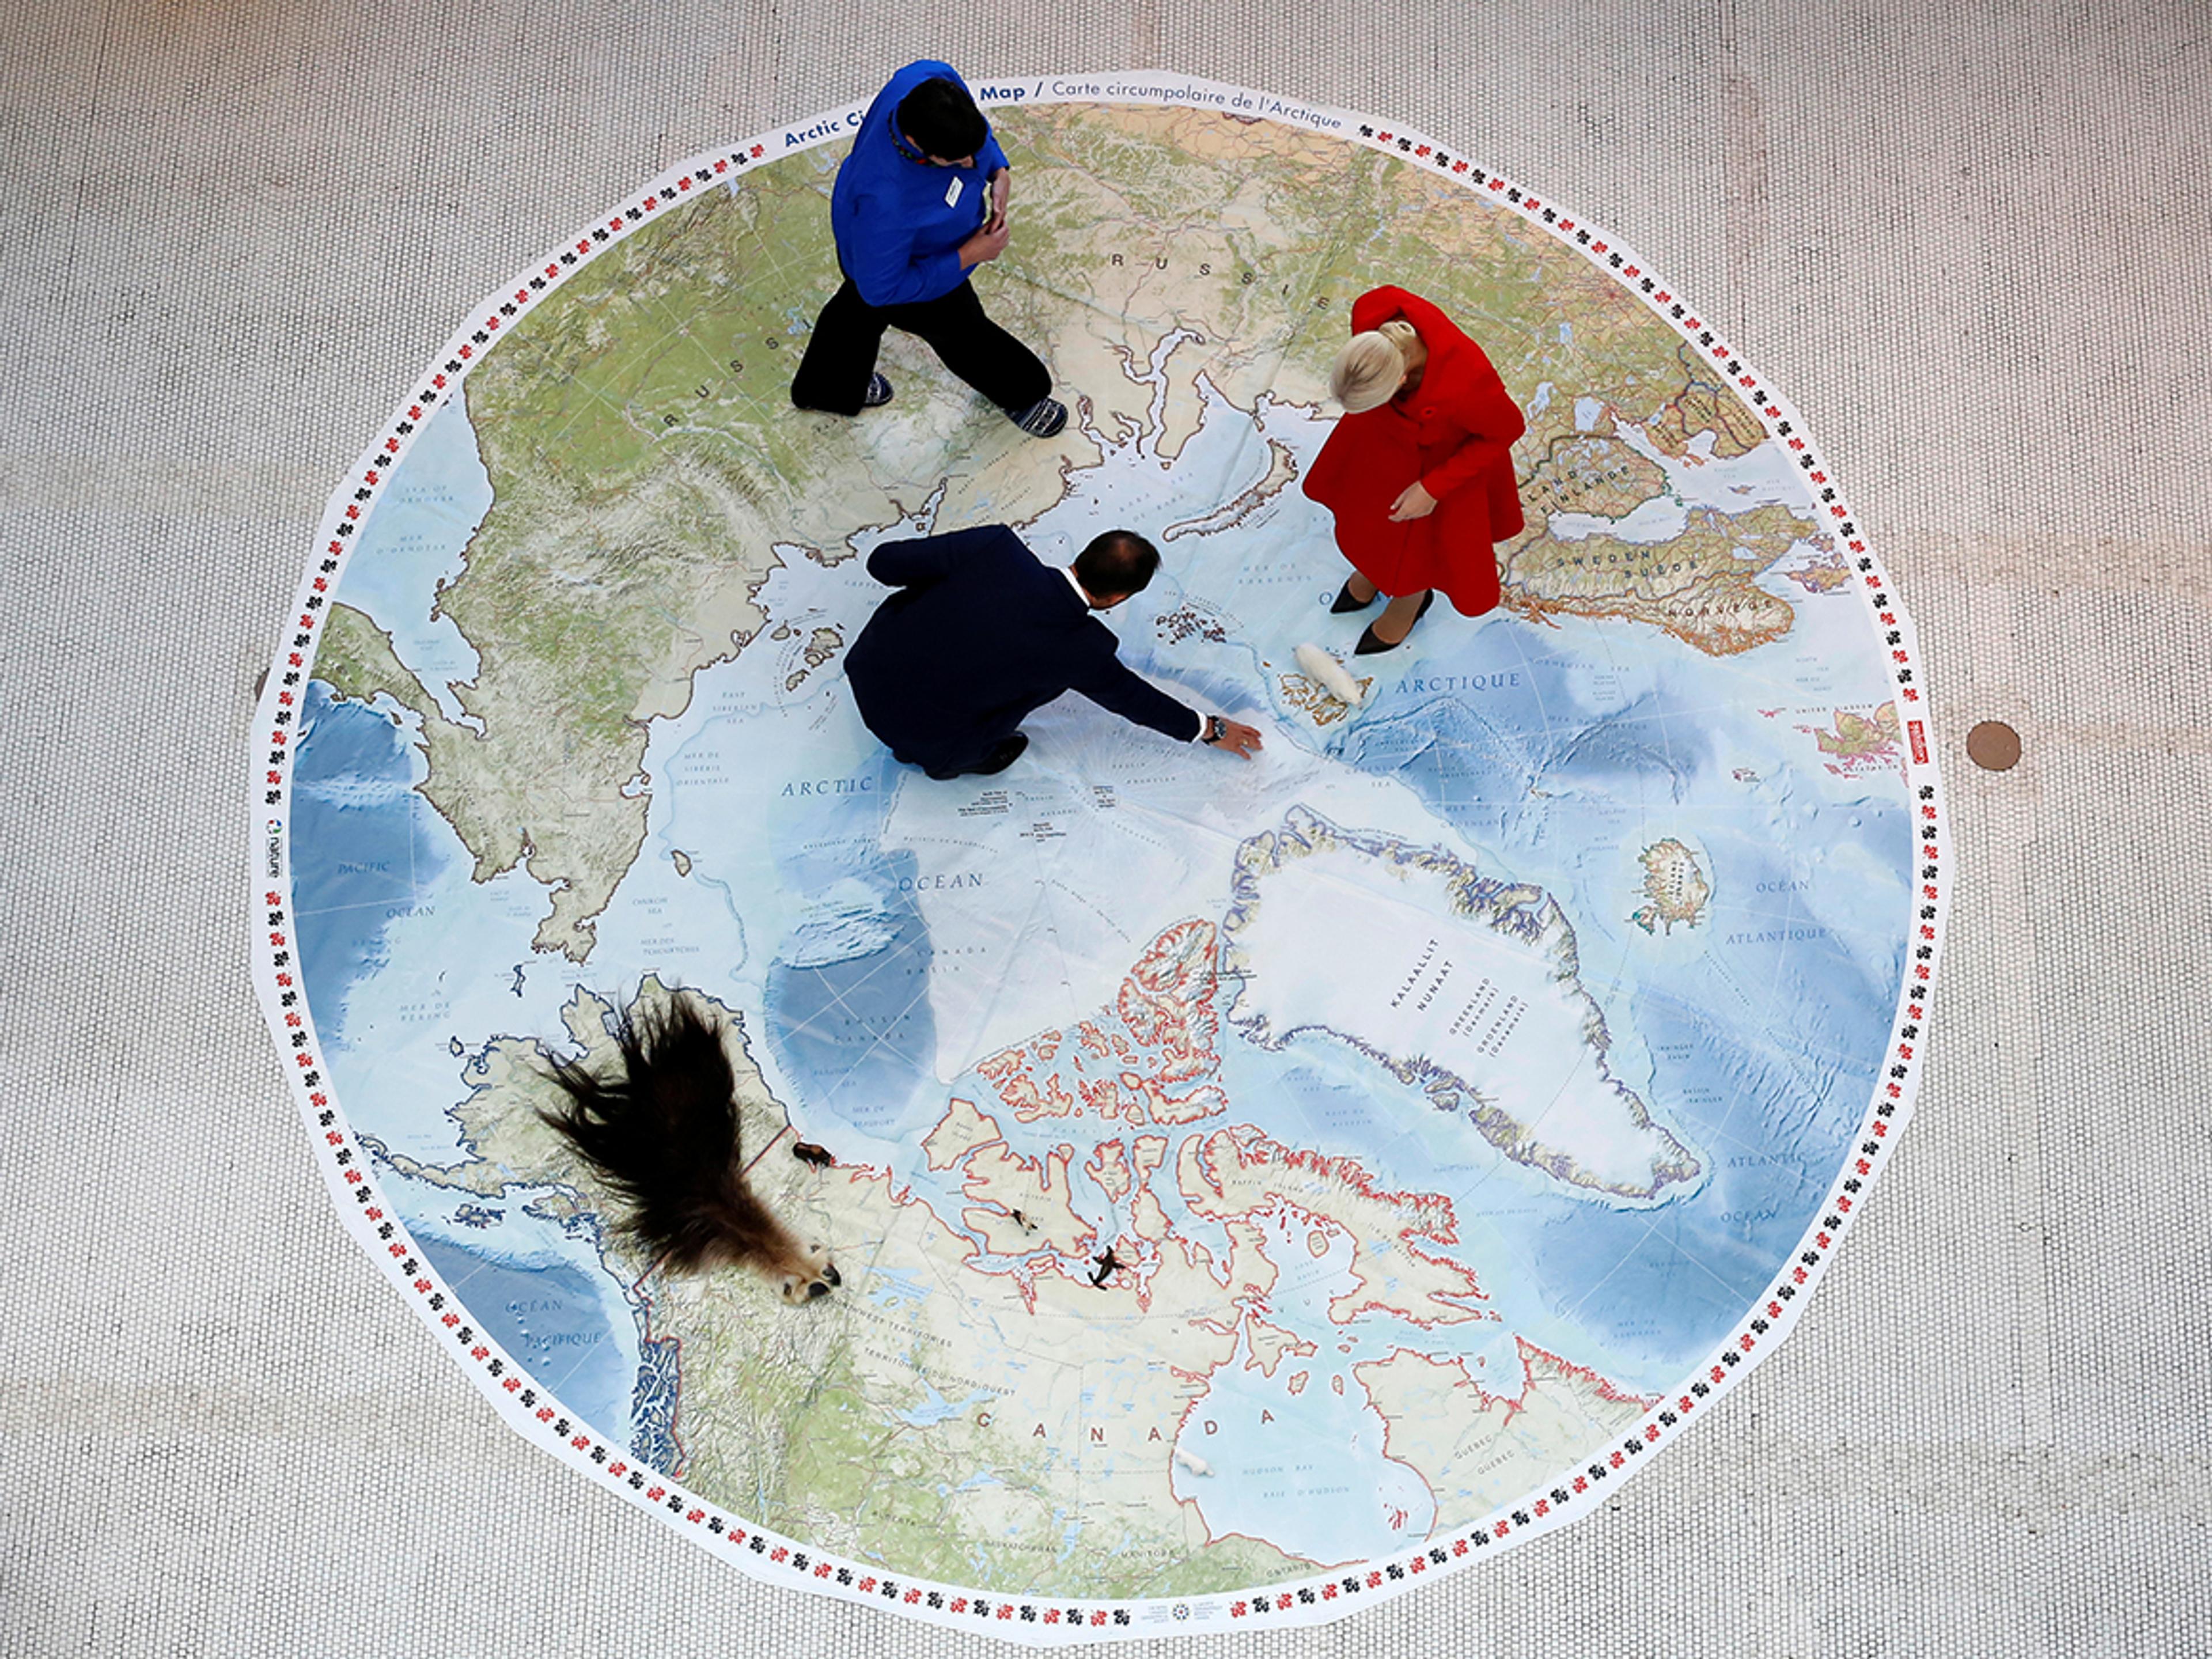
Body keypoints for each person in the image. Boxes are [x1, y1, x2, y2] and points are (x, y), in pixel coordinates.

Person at [843, 525, 1264, 779]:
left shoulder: (994, 547)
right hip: (935, 740)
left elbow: (883, 564)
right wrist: (1210, 730)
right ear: (1117, 598)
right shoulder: (1083, 648)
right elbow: (1135, 700)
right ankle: (946, 763)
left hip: (869, 668)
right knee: (1006, 705)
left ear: (1083, 556)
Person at [789, 61, 1067, 438]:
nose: (970, 165)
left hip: (871, 250)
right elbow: (881, 290)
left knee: (856, 312)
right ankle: (1024, 394)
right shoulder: (886, 204)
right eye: (956, 160)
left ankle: (826, 387)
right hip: (902, 263)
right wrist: (970, 254)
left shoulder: (923, 79)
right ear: (917, 144)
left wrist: (998, 169)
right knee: (961, 330)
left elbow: (973, 137)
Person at [1300, 285, 1528, 654]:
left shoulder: (1467, 387)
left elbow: (1508, 429)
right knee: (1367, 519)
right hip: (1378, 446)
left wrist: (1433, 488)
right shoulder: (1375, 329)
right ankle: (1372, 572)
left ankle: (1409, 601)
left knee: (1418, 549)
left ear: (1401, 382)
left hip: (1435, 467)